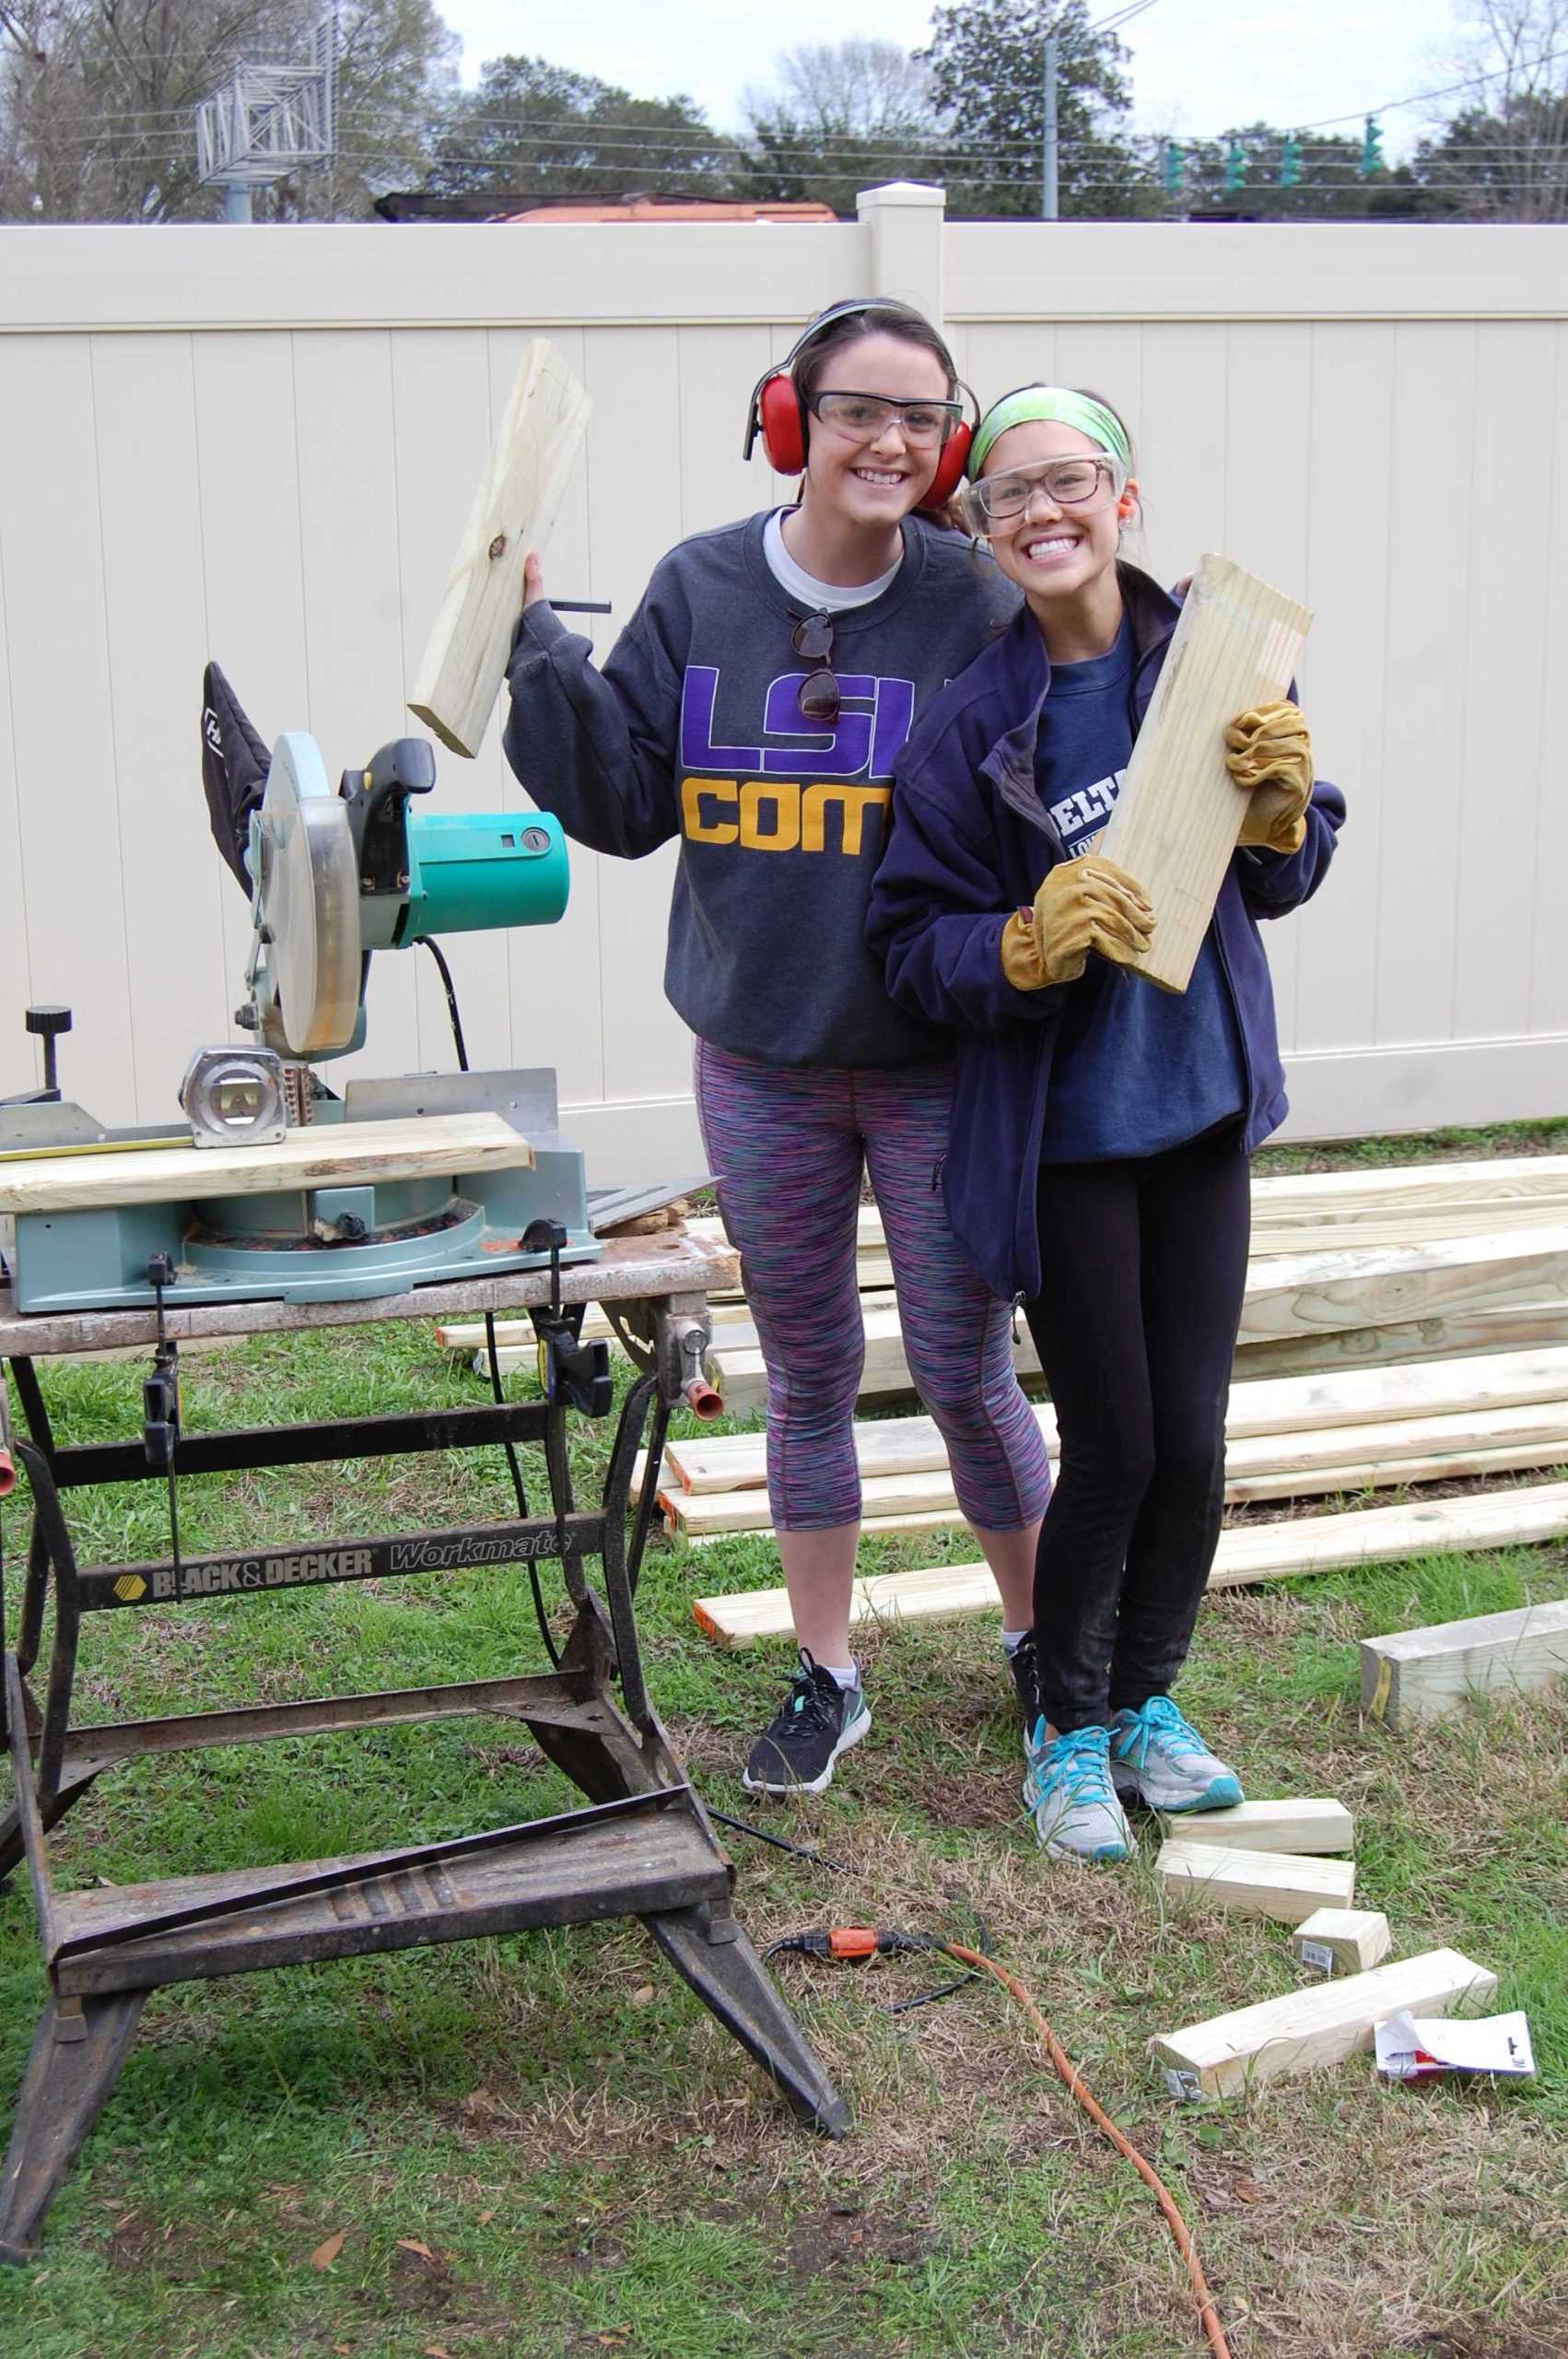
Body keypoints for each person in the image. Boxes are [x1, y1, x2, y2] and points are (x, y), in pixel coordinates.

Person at [502, 302, 1054, 1796]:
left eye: (922, 421)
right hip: (761, 1060)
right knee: (806, 1374)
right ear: (791, 417)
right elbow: (619, 805)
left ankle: (1044, 1650)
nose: (890, 442)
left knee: (962, 1367)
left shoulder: (976, 603)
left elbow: (1082, 751)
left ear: (949, 448)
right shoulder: (697, 589)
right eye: (860, 410)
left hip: (943, 1061)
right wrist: (530, 647)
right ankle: (828, 1675)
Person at [867, 385, 1344, 1860]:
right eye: (1009, 497)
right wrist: (1016, 941)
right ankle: (1064, 1732)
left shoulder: (1206, 667)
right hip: (1065, 1138)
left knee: (1193, 1441)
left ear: (1123, 496)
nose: (1043, 514)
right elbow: (907, 946)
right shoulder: (970, 727)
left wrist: (1284, 811)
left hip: (1193, 1112)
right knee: (1117, 1441)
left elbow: (1282, 868)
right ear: (978, 529)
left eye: (1069, 482)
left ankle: (1147, 1701)